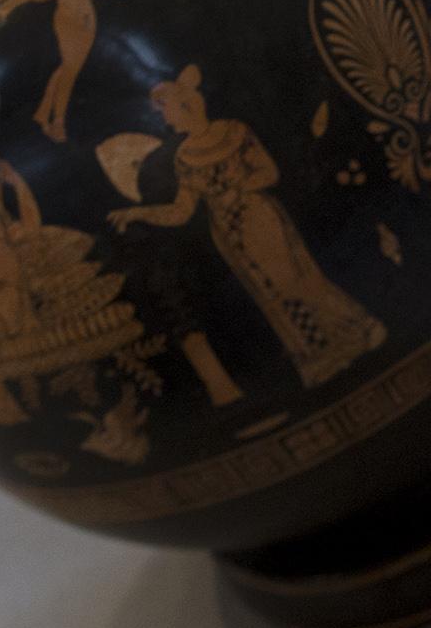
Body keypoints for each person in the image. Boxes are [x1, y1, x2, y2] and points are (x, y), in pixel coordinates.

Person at [112, 66, 384, 387]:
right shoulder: (183, 158)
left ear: (186, 105)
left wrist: (235, 189)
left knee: (295, 281)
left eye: (166, 112)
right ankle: (321, 354)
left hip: (259, 216)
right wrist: (140, 213)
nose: (166, 122)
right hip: (230, 234)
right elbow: (182, 212)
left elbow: (269, 173)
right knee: (273, 296)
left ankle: (359, 327)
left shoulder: (234, 132)